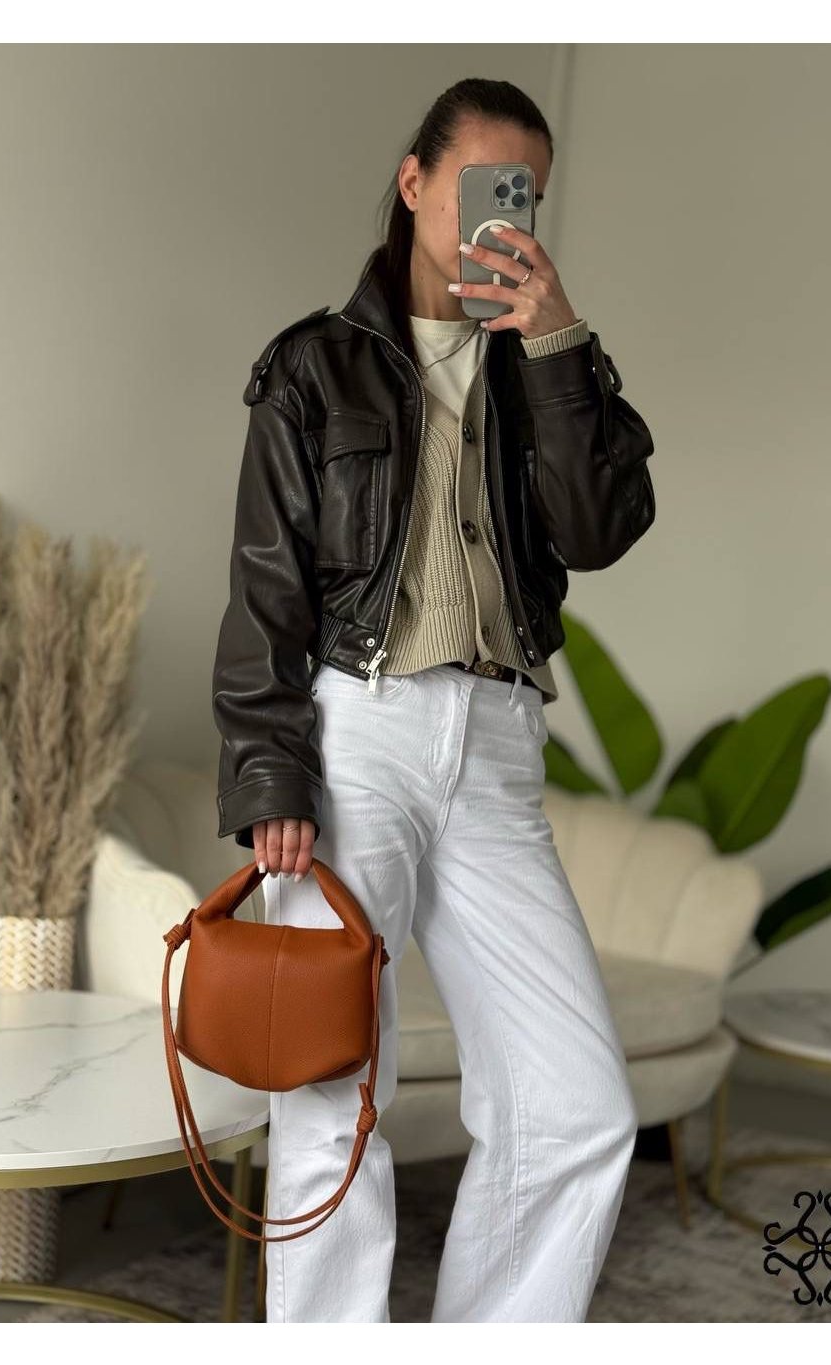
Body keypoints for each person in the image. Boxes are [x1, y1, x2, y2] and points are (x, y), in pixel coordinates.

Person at [211, 77, 656, 1322]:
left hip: (499, 744)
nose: (503, 218)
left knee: (576, 1105)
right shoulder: (315, 366)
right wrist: (269, 771)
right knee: (331, 1091)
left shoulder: (547, 366)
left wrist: (556, 345)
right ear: (414, 184)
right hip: (358, 732)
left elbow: (598, 528)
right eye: (481, 188)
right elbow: (264, 590)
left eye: (526, 197)